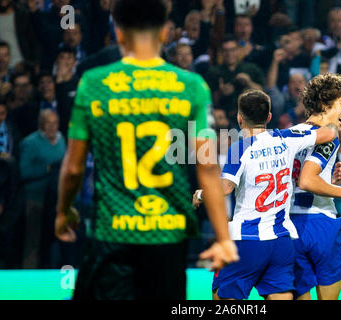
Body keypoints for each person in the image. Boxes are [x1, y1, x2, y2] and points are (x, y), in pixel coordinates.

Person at [55, 0, 238, 300]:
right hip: (168, 235)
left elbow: (74, 167)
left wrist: (64, 212)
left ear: (118, 32)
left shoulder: (94, 84)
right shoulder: (191, 85)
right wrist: (222, 237)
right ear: (165, 33)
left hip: (113, 232)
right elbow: (207, 165)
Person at [192, 89, 339, 300]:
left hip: (247, 239)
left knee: (222, 298)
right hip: (281, 241)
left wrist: (200, 194)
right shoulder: (286, 138)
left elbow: (225, 188)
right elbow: (330, 133)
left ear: (239, 118)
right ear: (269, 117)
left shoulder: (239, 148)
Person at [289, 73, 341, 300]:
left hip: (290, 226)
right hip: (320, 225)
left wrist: (327, 182)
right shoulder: (329, 135)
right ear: (324, 103)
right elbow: (307, 180)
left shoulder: (289, 135)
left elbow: (295, 180)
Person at [19, 109, 66, 268]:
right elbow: (23, 171)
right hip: (35, 200)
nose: (52, 127)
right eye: (48, 123)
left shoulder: (62, 141)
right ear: (41, 124)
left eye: (55, 123)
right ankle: (28, 281)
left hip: (56, 201)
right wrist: (45, 169)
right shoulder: (30, 143)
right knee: (33, 241)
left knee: (53, 242)